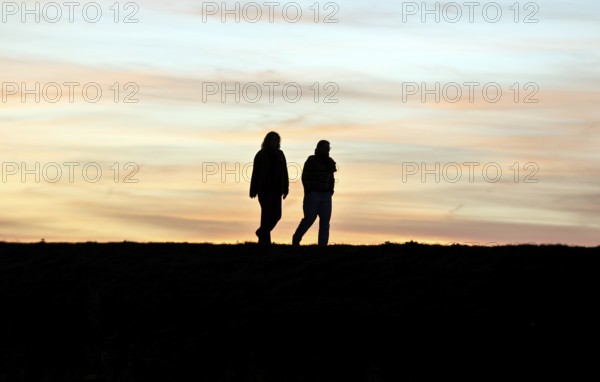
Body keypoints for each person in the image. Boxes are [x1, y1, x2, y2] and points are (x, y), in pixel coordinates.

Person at [292, 140, 337, 246]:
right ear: (319, 148)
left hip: (326, 195)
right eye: (326, 147)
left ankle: (322, 246)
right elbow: (305, 176)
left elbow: (331, 178)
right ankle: (296, 238)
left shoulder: (330, 162)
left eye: (328, 148)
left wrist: (330, 191)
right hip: (313, 194)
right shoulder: (311, 160)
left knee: (325, 222)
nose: (327, 150)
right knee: (309, 219)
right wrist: (308, 190)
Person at [250, 131, 289, 245]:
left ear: (278, 142)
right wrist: (253, 189)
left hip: (277, 190)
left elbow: (285, 172)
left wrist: (285, 188)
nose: (273, 141)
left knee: (277, 215)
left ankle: (261, 233)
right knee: (266, 215)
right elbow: (255, 173)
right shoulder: (260, 154)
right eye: (271, 139)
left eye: (276, 139)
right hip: (264, 190)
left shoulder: (280, 154)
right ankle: (265, 242)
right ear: (267, 141)